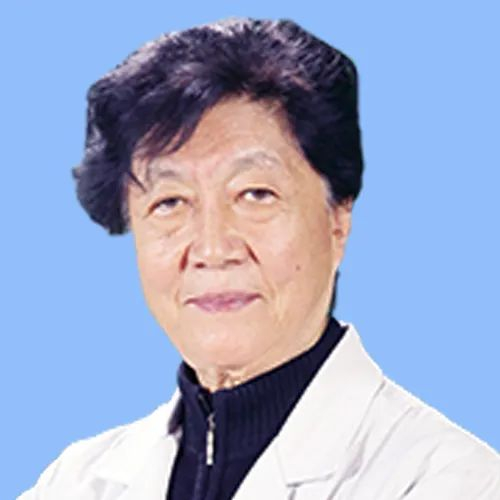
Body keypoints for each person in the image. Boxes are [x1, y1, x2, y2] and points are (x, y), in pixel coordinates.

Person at [18, 16, 499, 500]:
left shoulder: (453, 480)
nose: (212, 249)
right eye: (169, 202)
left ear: (338, 219)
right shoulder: (77, 482)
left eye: (255, 194)